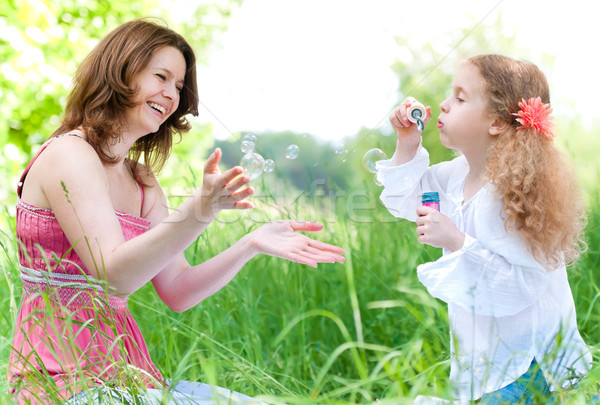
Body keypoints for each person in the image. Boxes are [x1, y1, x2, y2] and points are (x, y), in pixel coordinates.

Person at [8, 18, 345, 404]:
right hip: (61, 383)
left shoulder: (141, 179)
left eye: (179, 86)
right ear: (120, 70)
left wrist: (251, 243)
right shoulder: (70, 153)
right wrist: (198, 210)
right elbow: (114, 276)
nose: (171, 95)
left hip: (130, 379)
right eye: (161, 77)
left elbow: (178, 291)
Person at [376, 54, 591, 403]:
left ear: (497, 122)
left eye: (460, 98)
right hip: (487, 361)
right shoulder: (456, 175)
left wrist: (456, 241)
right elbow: (403, 198)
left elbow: (519, 285)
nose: (443, 105)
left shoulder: (513, 195)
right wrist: (407, 143)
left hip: (532, 365)